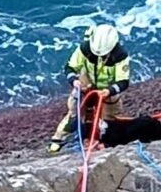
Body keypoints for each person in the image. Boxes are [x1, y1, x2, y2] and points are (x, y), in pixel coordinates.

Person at [48, 24, 130, 154]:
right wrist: (74, 80)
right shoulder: (85, 48)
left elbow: (123, 81)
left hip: (108, 89)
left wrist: (109, 91)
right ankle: (59, 139)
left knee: (111, 119)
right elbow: (70, 67)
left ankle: (106, 141)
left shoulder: (120, 55)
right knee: (75, 112)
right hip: (86, 82)